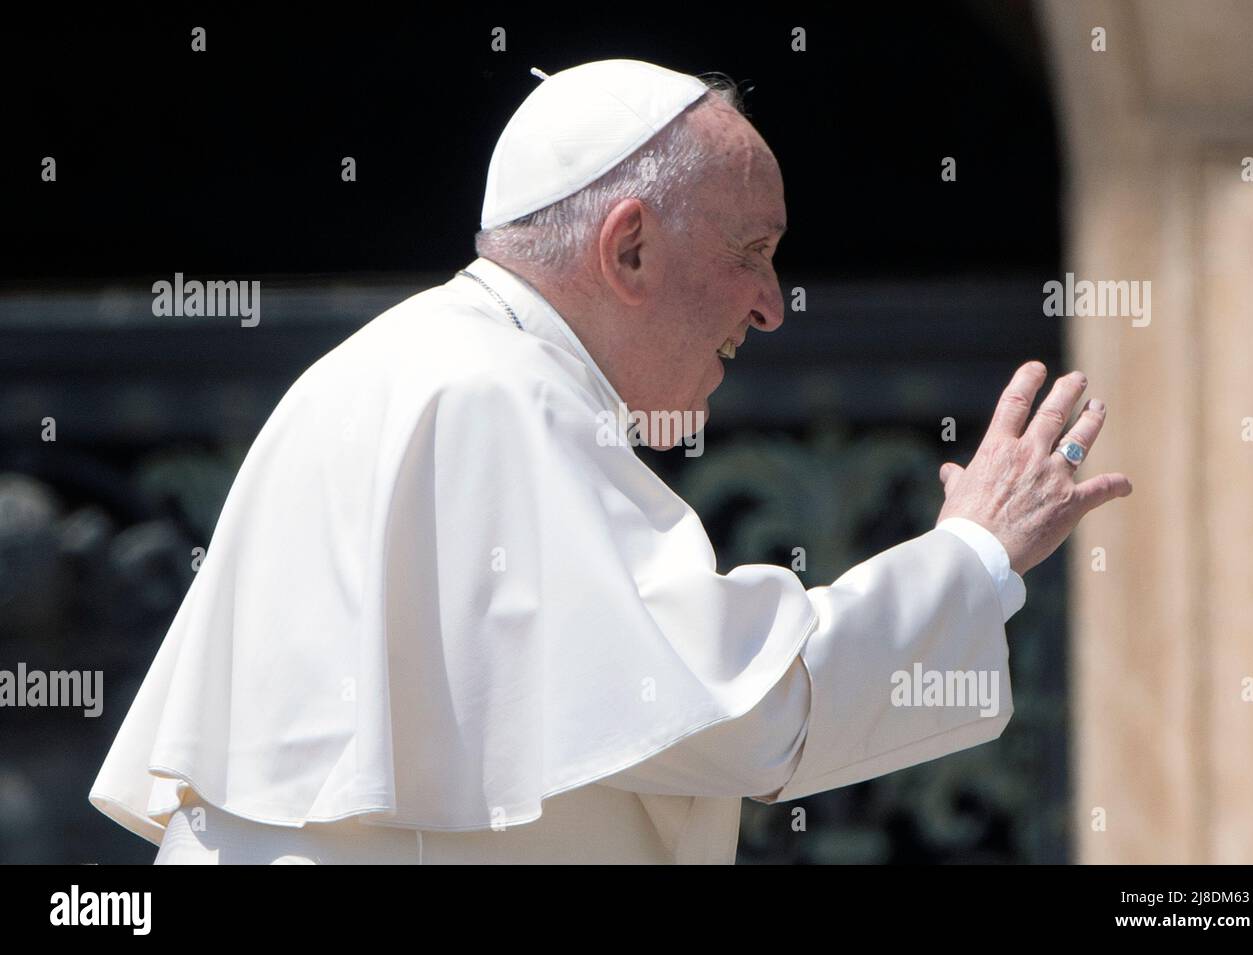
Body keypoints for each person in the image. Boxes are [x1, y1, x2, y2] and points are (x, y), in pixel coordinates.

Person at [89, 59, 1131, 864]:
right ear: (628, 248)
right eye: (748, 252)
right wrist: (974, 555)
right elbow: (746, 711)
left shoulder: (414, 366)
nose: (770, 303)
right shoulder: (491, 393)